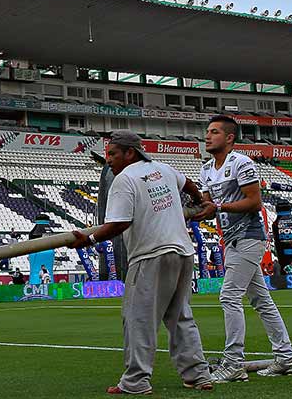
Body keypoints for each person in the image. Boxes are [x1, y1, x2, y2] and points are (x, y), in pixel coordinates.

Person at [70, 130, 214, 394]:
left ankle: (136, 380)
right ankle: (198, 375)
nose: (108, 160)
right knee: (180, 316)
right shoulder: (163, 168)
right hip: (182, 252)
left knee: (138, 319)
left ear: (130, 152)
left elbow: (119, 223)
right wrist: (199, 202)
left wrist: (88, 241)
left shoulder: (124, 180)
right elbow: (189, 184)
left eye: (113, 154)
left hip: (150, 254)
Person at [198, 115, 292, 381]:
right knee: (261, 300)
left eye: (214, 132)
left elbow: (254, 202)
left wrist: (218, 207)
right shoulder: (206, 169)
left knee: (229, 296)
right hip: (230, 239)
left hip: (249, 237)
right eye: (207, 132)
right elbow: (208, 209)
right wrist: (194, 210)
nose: (207, 136)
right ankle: (286, 358)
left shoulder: (242, 163)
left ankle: (233, 363)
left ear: (229, 138)